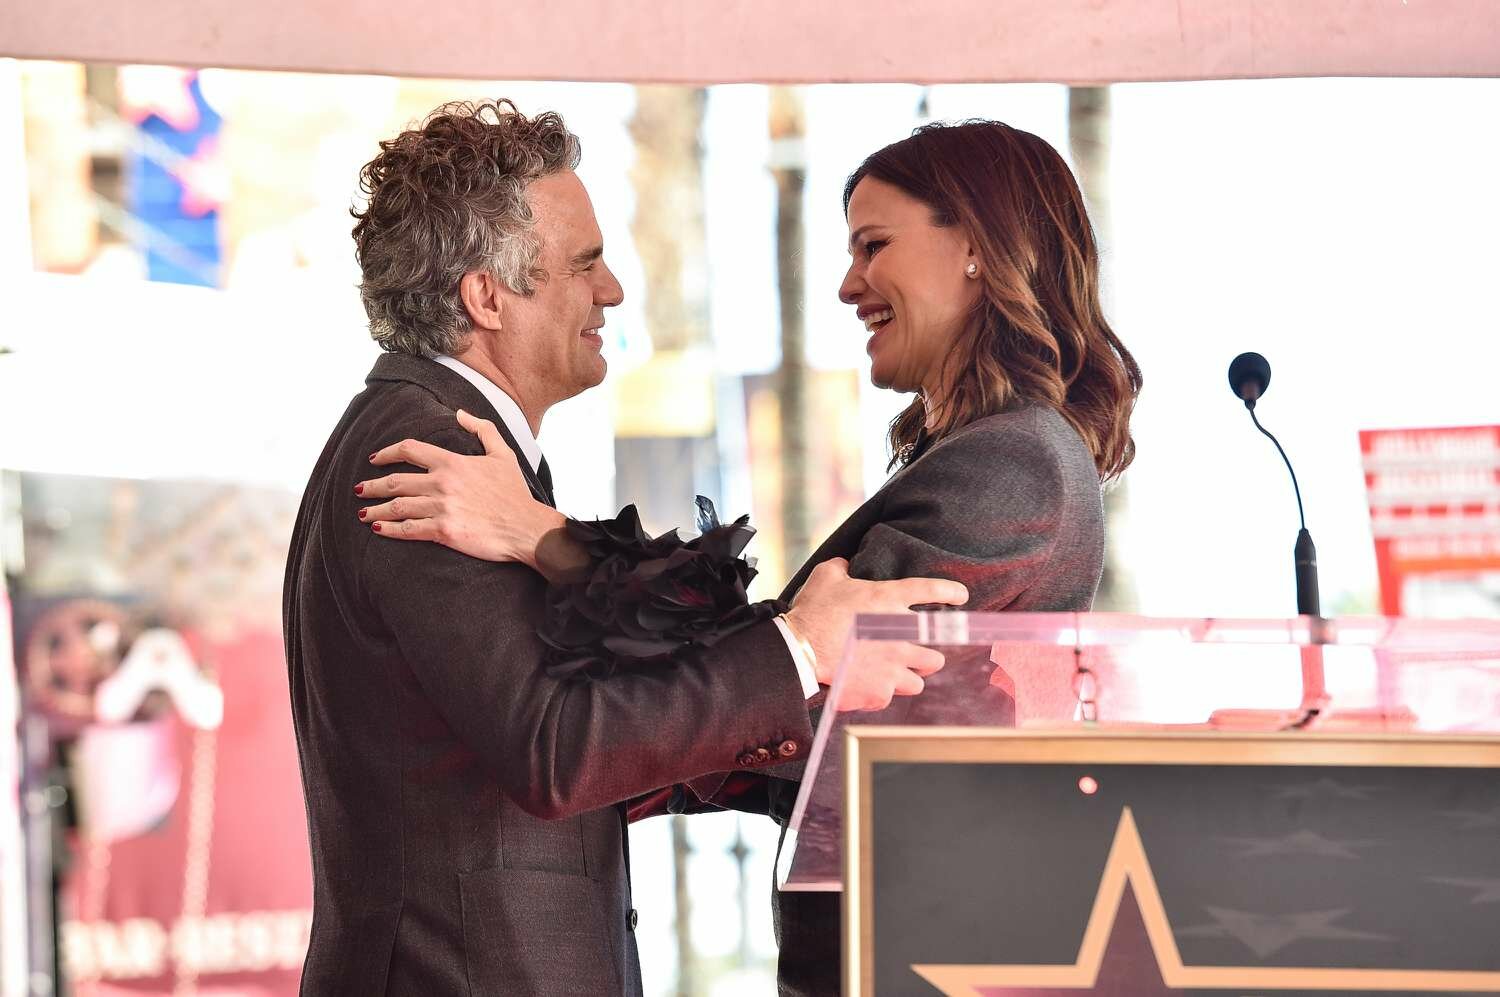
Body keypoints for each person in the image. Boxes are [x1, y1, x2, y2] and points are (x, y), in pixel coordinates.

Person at [363, 119, 1141, 994]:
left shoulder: (1018, 461)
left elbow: (827, 671)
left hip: (924, 950)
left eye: (874, 246)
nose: (850, 284)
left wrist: (544, 539)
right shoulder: (987, 454)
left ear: (978, 248)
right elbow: (789, 656)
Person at [282, 100, 969, 997]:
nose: (609, 291)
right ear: (486, 295)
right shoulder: (434, 452)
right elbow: (556, 745)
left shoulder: (453, 443)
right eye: (584, 264)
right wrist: (799, 648)